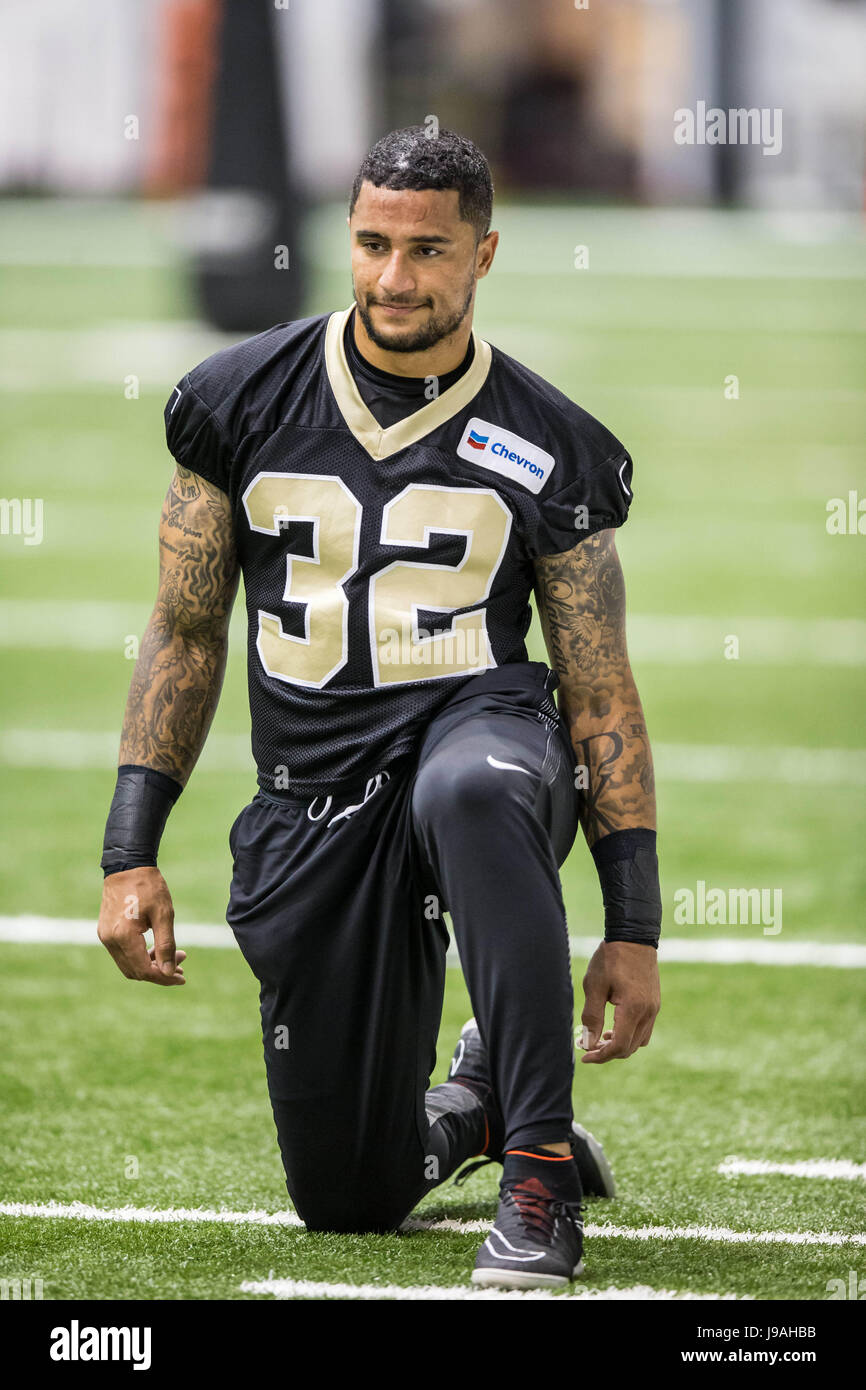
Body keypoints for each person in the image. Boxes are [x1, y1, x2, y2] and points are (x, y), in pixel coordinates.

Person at [97, 127, 661, 1291]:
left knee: (472, 781)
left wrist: (633, 924)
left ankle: (538, 1176)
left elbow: (598, 687)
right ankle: (477, 1097)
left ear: (484, 253)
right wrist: (129, 850)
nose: (394, 277)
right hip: (313, 799)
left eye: (426, 250)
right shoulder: (236, 398)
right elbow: (187, 630)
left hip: (483, 737)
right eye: (370, 243)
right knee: (348, 1198)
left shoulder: (549, 444)